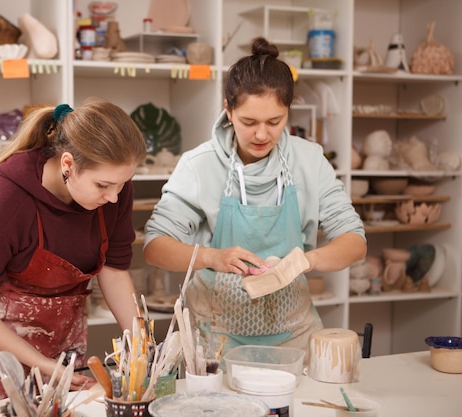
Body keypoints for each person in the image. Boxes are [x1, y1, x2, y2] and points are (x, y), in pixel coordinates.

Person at [143, 37, 366, 356]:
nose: (262, 134)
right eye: (249, 122)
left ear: (289, 111)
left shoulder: (309, 160)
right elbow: (155, 247)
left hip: (294, 335)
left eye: (275, 122)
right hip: (213, 339)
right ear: (228, 110)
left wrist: (305, 260)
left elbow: (354, 240)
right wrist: (212, 257)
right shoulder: (199, 165)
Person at [0, 97, 147, 402]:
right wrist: (40, 363)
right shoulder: (6, 201)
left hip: (65, 334)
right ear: (68, 164)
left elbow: (114, 269)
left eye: (122, 185)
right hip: (2, 343)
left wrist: (140, 343)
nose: (114, 198)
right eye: (103, 186)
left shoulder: (114, 187)